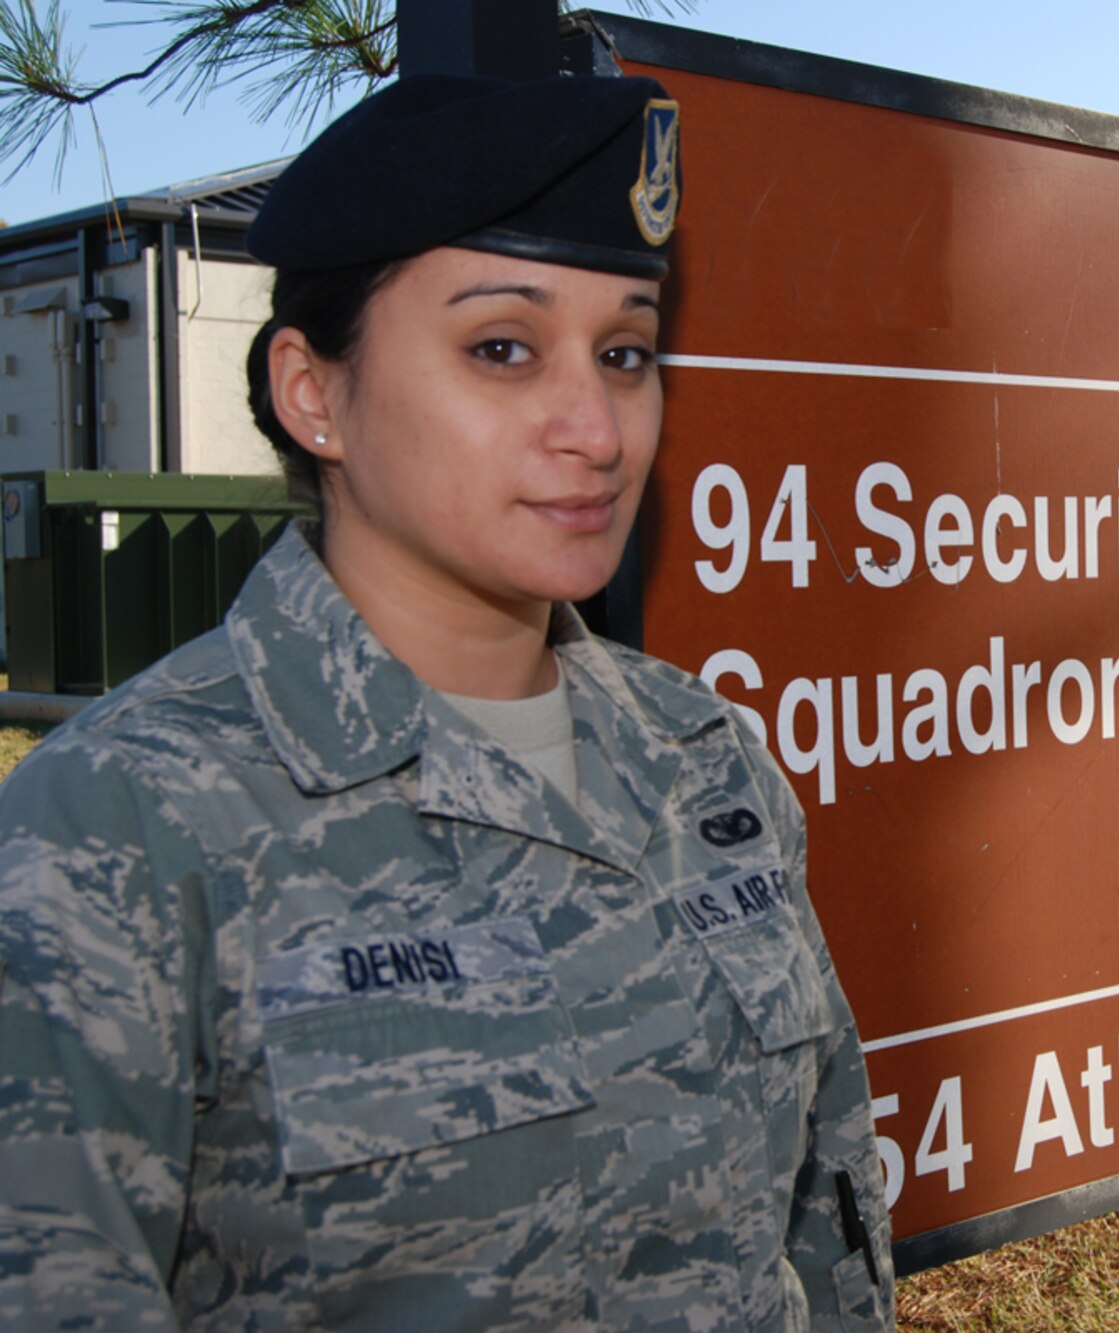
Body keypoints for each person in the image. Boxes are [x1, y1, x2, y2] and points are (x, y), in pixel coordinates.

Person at [0, 71, 893, 1331]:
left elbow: (828, 1226)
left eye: (625, 353)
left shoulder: (706, 762)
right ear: (314, 393)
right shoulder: (111, 832)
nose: (596, 427)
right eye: (502, 349)